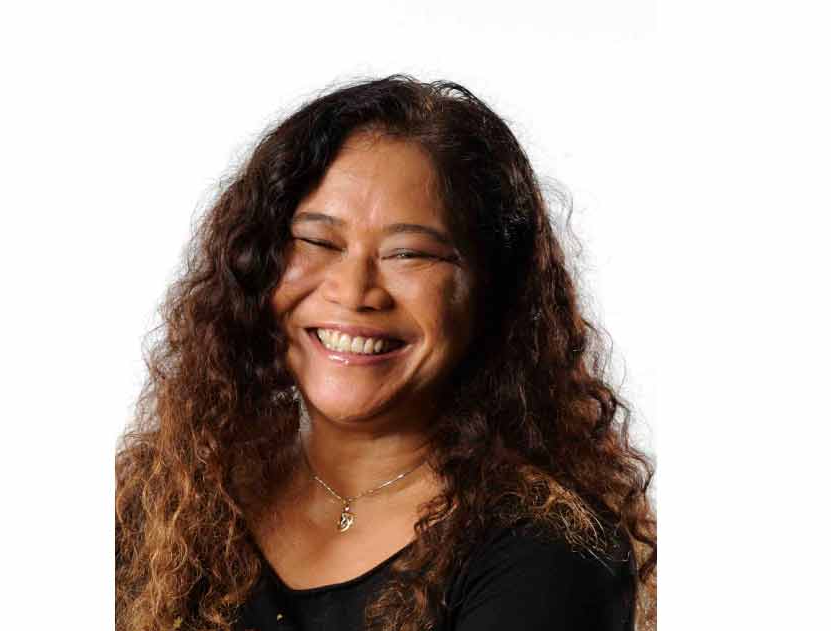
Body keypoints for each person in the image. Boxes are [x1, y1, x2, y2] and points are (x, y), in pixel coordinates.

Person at [115, 76, 657, 631]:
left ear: (492, 293)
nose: (354, 292)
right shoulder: (170, 500)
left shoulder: (550, 554)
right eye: (318, 242)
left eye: (409, 253)